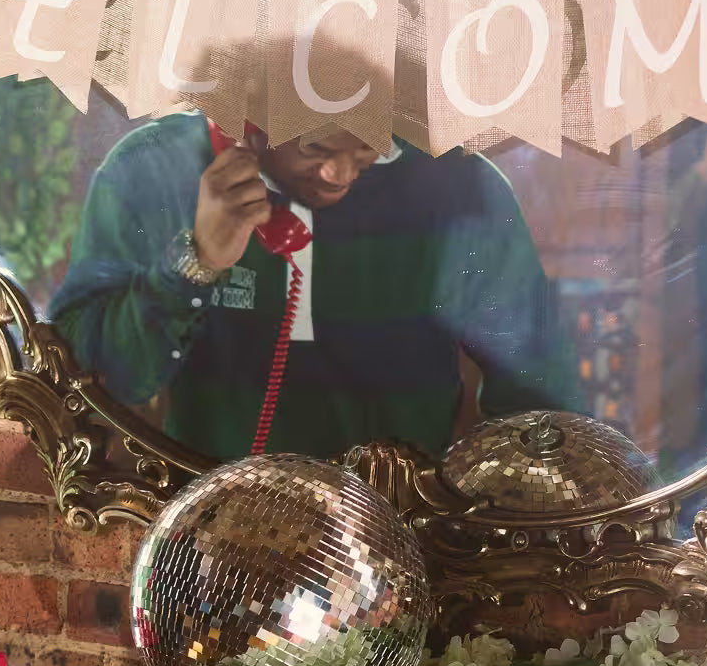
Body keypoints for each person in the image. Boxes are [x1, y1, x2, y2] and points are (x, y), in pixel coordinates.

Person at [48, 113, 581, 461]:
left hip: (404, 554)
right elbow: (80, 383)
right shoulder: (154, 170)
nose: (339, 174)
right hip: (205, 552)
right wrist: (196, 263)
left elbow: (542, 402)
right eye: (315, 146)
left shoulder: (465, 188)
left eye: (372, 146)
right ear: (252, 109)